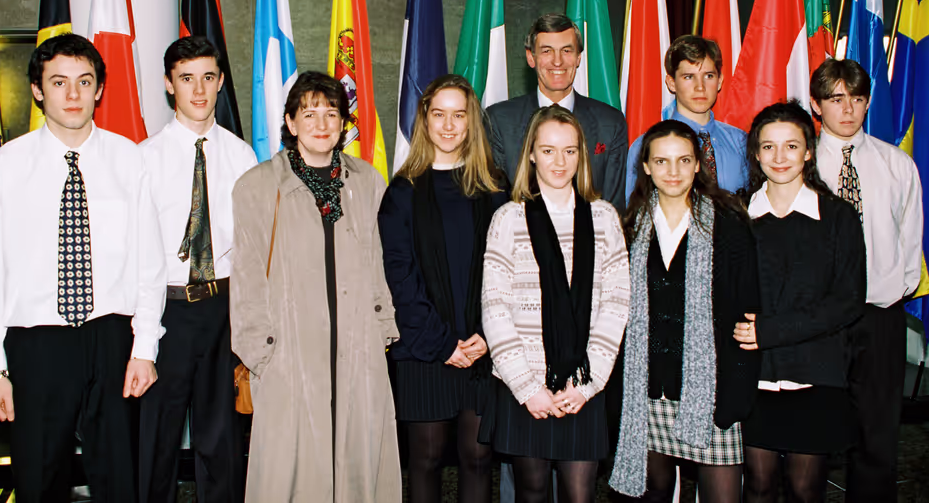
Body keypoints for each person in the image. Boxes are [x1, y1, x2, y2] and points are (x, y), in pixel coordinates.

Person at [0, 34, 167, 503]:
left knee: (120, 480)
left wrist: (144, 348)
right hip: (36, 344)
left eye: (84, 81)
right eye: (59, 82)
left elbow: (150, 263)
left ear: (99, 88)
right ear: (37, 90)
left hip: (112, 338)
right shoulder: (4, 168)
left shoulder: (130, 160)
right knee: (39, 481)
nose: (73, 94)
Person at [229, 71, 401, 503]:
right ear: (290, 122)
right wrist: (261, 355)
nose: (321, 123)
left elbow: (380, 263)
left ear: (344, 122)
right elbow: (247, 278)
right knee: (292, 474)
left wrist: (382, 331)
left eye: (332, 113)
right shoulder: (257, 187)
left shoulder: (369, 182)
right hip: (288, 353)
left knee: (359, 465)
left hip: (358, 348)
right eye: (309, 114)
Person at [481, 105, 630, 503]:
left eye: (569, 150)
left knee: (580, 494)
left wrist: (586, 384)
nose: (559, 162)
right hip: (524, 385)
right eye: (548, 151)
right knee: (531, 492)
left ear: (582, 154)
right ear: (531, 154)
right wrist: (529, 388)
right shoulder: (508, 219)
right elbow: (495, 309)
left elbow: (616, 305)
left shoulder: (604, 218)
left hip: (583, 385)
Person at [609, 119, 760, 502]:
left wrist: (736, 395)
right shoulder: (630, 226)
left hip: (712, 393)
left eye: (683, 160)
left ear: (697, 165)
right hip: (648, 393)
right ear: (646, 167)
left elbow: (746, 312)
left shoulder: (729, 224)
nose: (673, 171)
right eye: (661, 161)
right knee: (654, 492)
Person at [138, 37, 257, 503]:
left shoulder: (241, 155)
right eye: (187, 79)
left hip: (223, 309)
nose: (199, 90)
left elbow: (250, 245)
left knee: (221, 438)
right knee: (156, 439)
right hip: (166, 311)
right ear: (170, 85)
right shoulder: (144, 158)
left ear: (221, 81)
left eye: (208, 77)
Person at [379, 74, 508, 503]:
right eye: (439, 114)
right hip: (423, 347)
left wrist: (487, 335)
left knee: (478, 458)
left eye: (459, 115)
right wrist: (442, 343)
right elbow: (399, 277)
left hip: (481, 346)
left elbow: (508, 272)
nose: (449, 126)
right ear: (425, 120)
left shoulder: (495, 188)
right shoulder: (402, 192)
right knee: (427, 458)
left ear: (472, 122)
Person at [734, 101, 866, 503]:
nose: (780, 157)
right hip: (753, 377)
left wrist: (770, 331)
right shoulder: (737, 214)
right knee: (757, 487)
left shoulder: (838, 216)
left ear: (808, 151)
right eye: (768, 146)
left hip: (815, 375)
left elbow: (848, 301)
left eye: (791, 146)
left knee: (805, 490)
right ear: (756, 154)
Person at [808, 59, 924, 502]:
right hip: (818, 321)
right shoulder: (799, 163)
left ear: (868, 102)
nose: (848, 109)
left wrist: (891, 291)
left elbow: (910, 240)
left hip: (879, 315)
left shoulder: (896, 164)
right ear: (817, 104)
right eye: (836, 99)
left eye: (856, 99)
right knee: (811, 437)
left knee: (877, 435)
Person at [486, 13, 628, 211]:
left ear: (578, 58)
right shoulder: (498, 121)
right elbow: (495, 206)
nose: (558, 61)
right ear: (531, 57)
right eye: (547, 51)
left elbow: (613, 209)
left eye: (566, 51)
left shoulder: (610, 123)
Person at [626, 35, 748, 197]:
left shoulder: (740, 142)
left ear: (719, 81)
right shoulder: (646, 145)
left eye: (709, 76)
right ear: (671, 83)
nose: (700, 87)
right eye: (689, 77)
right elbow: (635, 207)